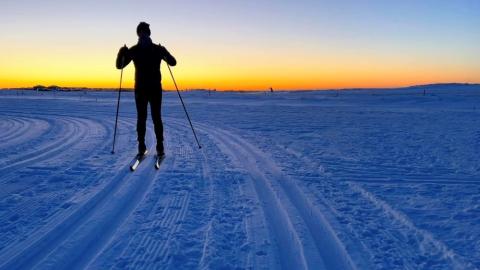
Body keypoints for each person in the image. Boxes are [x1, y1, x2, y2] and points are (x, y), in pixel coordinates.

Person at [116, 22, 176, 157]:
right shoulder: (155, 49)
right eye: (143, 32)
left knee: (142, 118)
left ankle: (142, 146)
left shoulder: (135, 49)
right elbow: (173, 62)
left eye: (143, 32)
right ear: (149, 33)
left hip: (141, 90)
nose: (143, 34)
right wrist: (165, 53)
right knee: (156, 118)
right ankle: (158, 146)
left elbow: (119, 65)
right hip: (154, 89)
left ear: (140, 33)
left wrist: (121, 53)